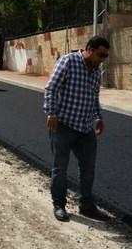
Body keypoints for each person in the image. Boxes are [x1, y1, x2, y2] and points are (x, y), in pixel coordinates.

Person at [43, 35, 111, 222]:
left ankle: (86, 205)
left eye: (105, 57)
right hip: (63, 125)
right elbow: (51, 88)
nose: (102, 60)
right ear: (89, 48)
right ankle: (59, 205)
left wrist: (98, 117)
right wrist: (52, 113)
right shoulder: (68, 61)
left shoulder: (96, 71)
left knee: (88, 168)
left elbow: (94, 97)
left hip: (85, 127)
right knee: (60, 168)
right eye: (100, 55)